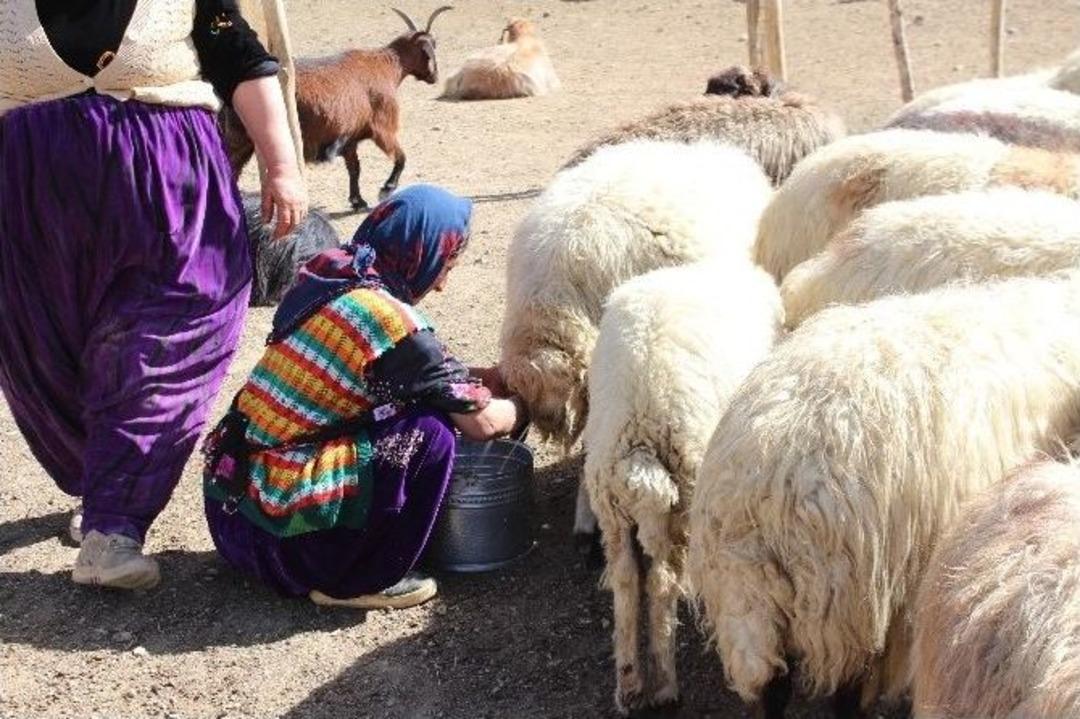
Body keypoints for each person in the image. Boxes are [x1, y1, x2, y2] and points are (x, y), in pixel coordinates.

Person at [0, 0, 308, 590]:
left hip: (172, 202)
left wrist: (282, 166)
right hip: (35, 209)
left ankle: (114, 529)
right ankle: (103, 484)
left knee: (164, 344)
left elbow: (242, 60)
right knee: (49, 356)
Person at [202, 184, 527, 610]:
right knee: (430, 433)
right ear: (420, 253)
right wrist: (529, 400)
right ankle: (354, 579)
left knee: (413, 405)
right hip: (282, 543)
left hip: (231, 506)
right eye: (446, 264)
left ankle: (343, 544)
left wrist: (479, 378)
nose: (443, 284)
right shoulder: (391, 321)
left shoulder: (329, 275)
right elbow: (482, 424)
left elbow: (391, 372)